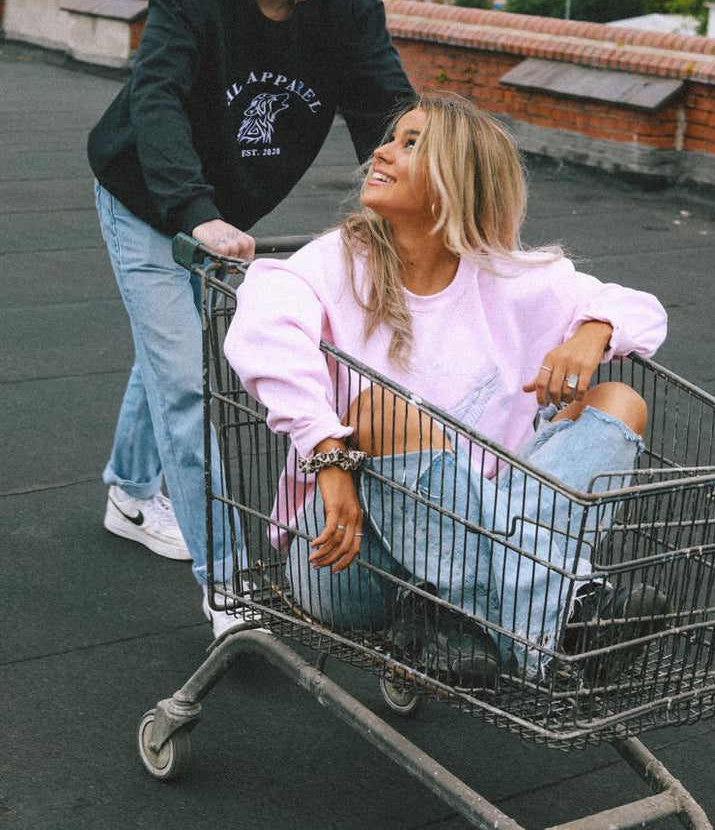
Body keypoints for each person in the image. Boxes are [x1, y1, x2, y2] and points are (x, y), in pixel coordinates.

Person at [224, 93, 669, 682]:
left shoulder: (508, 277)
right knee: (383, 409)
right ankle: (564, 611)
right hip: (355, 553)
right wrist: (327, 453)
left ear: (456, 182)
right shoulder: (339, 261)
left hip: (477, 538)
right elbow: (262, 328)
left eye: (411, 144)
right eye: (393, 137)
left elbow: (641, 310)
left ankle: (458, 620)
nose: (380, 151)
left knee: (619, 401)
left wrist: (594, 332)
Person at [87, 0, 415, 635]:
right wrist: (192, 211)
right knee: (189, 388)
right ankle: (229, 588)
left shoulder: (345, 3)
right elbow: (157, 96)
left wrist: (429, 188)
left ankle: (130, 494)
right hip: (146, 196)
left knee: (167, 349)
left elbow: (385, 107)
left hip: (229, 215)